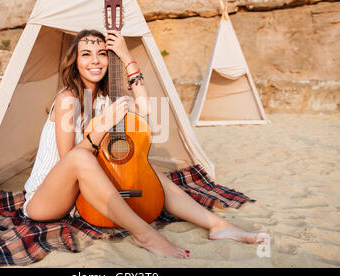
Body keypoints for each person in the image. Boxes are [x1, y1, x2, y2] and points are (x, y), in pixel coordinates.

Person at [23, 29, 268, 259]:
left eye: (102, 54)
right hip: (45, 201)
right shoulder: (68, 99)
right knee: (81, 158)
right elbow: (70, 161)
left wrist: (126, 54)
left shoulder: (105, 100)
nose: (95, 61)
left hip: (81, 196)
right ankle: (146, 236)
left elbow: (145, 108)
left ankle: (218, 226)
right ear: (74, 62)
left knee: (149, 171)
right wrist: (101, 127)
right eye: (86, 54)